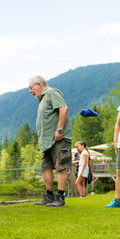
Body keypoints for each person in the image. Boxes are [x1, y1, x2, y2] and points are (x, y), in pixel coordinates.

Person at [29, 75, 73, 207]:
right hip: (46, 141)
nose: (30, 91)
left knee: (60, 166)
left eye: (31, 88)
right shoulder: (42, 99)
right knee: (45, 167)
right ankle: (49, 196)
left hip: (58, 139)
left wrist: (59, 130)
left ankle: (60, 198)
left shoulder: (51, 92)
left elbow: (63, 109)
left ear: (38, 84)